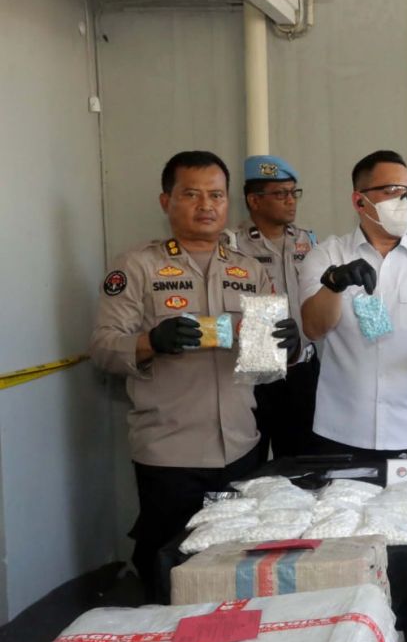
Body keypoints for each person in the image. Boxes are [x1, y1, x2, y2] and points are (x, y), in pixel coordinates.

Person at [90, 150, 300, 597]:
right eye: (192, 194)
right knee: (170, 569)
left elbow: (266, 365)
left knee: (234, 567)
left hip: (241, 446)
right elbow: (103, 348)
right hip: (170, 452)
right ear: (166, 201)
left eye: (216, 195)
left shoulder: (250, 269)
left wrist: (288, 346)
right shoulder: (137, 266)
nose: (206, 205)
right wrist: (151, 341)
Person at [299, 150, 407, 460]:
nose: (405, 201)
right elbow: (313, 329)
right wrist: (334, 284)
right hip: (343, 431)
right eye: (393, 191)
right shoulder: (327, 256)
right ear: (359, 201)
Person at [227, 154, 319, 458]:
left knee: (300, 461)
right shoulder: (233, 245)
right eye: (280, 194)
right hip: (255, 371)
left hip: (301, 367)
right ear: (254, 200)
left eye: (294, 192)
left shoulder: (307, 241)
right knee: (249, 459)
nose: (291, 200)